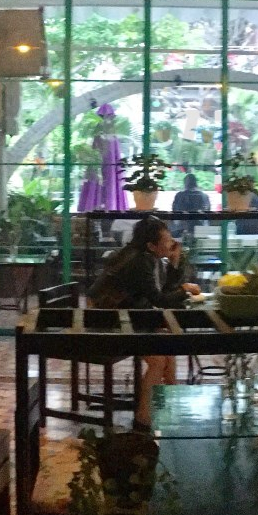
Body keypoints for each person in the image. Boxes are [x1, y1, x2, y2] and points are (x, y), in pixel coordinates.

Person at [87, 216, 201, 425]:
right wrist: (184, 289)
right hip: (106, 323)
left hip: (127, 316)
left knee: (168, 348)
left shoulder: (145, 256)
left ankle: (168, 405)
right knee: (158, 360)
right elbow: (160, 300)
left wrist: (174, 263)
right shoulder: (140, 261)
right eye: (167, 241)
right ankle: (144, 418)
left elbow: (162, 292)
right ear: (151, 245)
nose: (172, 243)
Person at [170, 172, 210, 239]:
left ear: (185, 183)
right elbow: (207, 213)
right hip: (201, 230)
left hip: (181, 230)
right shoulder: (204, 196)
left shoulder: (179, 195)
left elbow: (175, 212)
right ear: (196, 183)